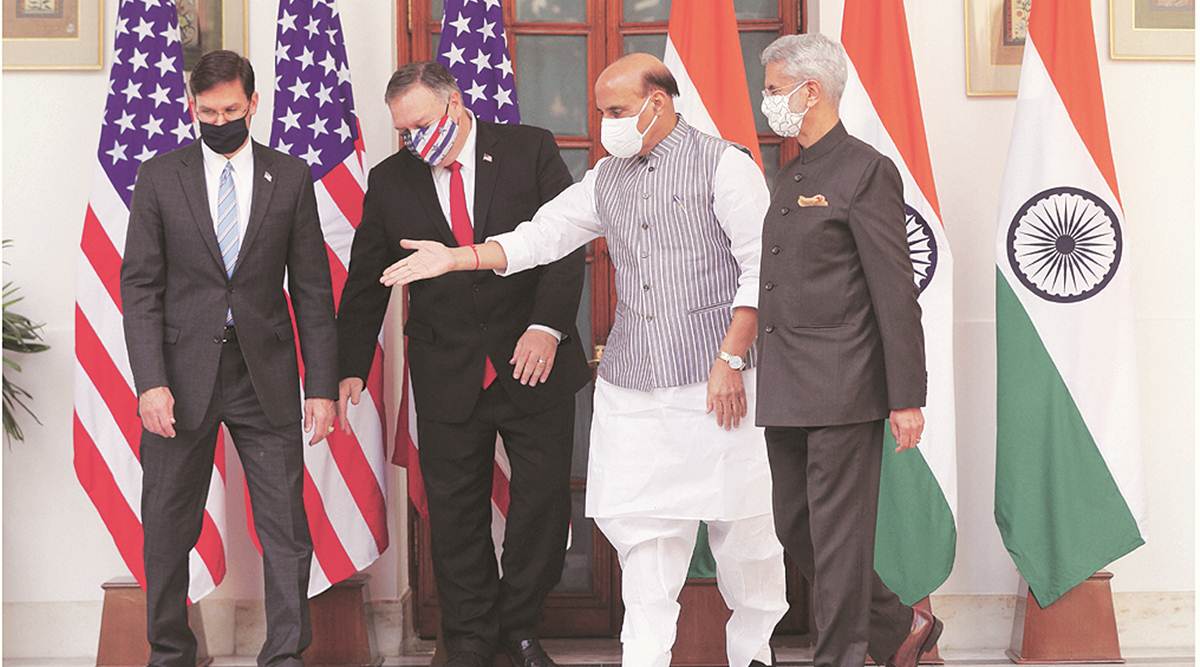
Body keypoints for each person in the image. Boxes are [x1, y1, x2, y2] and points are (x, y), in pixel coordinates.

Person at [381, 53, 788, 667]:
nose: (607, 123)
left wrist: (731, 357)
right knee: (645, 548)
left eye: (618, 111)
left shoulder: (725, 167)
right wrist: (456, 258)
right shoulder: (606, 178)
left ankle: (755, 655)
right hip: (633, 388)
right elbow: (538, 237)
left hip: (716, 383)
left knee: (745, 539)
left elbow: (765, 269)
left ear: (660, 102)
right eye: (601, 112)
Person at [335, 61, 590, 667]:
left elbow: (566, 243)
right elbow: (370, 280)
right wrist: (348, 364)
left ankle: (520, 630)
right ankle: (472, 643)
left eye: (420, 123)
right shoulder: (392, 179)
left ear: (453, 105)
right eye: (402, 131)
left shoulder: (529, 148)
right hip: (447, 369)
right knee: (455, 518)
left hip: (533, 360)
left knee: (542, 508)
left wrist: (547, 328)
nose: (412, 139)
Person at [120, 50, 337, 666]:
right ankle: (169, 653)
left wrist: (319, 385)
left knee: (285, 528)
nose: (219, 120)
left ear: (254, 105)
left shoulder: (289, 176)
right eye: (207, 111)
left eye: (232, 110)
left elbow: (313, 291)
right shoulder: (160, 176)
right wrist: (150, 381)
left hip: (262, 374)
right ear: (191, 107)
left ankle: (286, 655)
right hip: (179, 381)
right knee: (166, 525)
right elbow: (140, 286)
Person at [753, 34, 943, 667]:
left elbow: (895, 292)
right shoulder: (793, 170)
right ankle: (901, 625)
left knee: (837, 542)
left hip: (842, 384)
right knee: (796, 528)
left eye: (775, 90)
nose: (767, 101)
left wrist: (906, 397)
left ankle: (841, 658)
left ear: (811, 92)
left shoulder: (865, 170)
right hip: (785, 385)